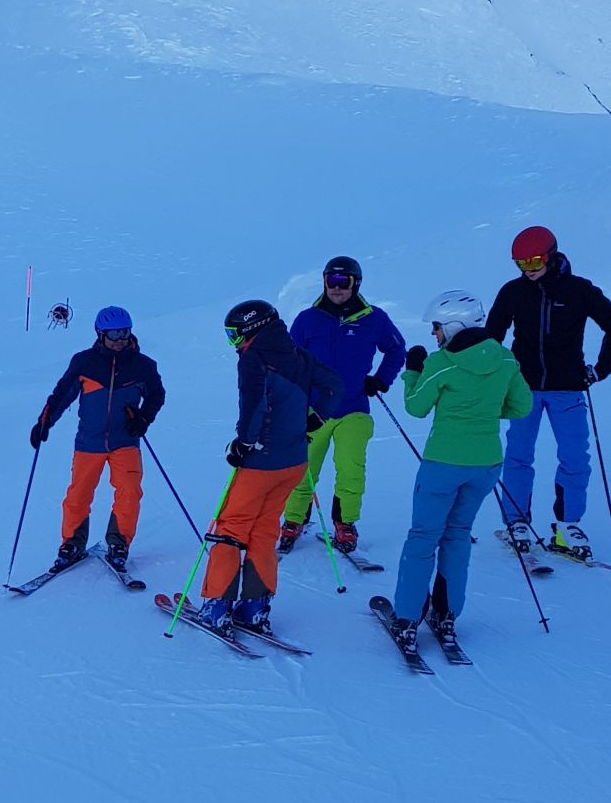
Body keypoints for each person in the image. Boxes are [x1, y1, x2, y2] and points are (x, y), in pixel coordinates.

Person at [388, 293, 533, 649]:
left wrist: (412, 371)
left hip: (443, 463)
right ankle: (447, 614)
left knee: (423, 537)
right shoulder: (505, 359)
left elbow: (416, 407)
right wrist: (484, 410)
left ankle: (407, 618)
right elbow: (521, 407)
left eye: (437, 327)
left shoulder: (442, 362)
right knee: (457, 535)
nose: (434, 334)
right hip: (485, 465)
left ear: (455, 325)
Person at [196, 299, 338, 633]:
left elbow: (254, 404)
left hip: (261, 462)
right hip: (294, 463)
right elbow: (335, 386)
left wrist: (244, 443)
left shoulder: (254, 358)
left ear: (252, 329)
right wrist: (317, 418)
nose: (234, 343)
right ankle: (254, 606)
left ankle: (217, 606)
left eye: (234, 335)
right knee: (263, 529)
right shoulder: (298, 355)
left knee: (231, 528)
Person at [485, 225, 611, 560]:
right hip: (524, 388)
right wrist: (497, 374)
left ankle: (568, 524)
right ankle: (516, 522)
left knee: (575, 458)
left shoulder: (579, 290)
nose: (528, 270)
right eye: (521, 264)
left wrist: (600, 369)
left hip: (568, 388)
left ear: (550, 256)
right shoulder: (513, 292)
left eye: (534, 262)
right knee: (519, 455)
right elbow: (492, 337)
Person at [280, 255, 406, 554]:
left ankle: (345, 523)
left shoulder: (374, 318)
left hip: (353, 408)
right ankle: (294, 520)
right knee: (302, 469)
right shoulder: (307, 319)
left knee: (351, 469)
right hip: (314, 410)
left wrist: (381, 379)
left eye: (343, 281)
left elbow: (396, 348)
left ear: (355, 284)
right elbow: (290, 360)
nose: (336, 288)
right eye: (331, 280)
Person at [31, 306, 165, 572]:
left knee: (129, 492)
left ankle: (119, 543)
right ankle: (72, 544)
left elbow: (157, 395)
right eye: (113, 334)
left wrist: (143, 419)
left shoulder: (143, 366)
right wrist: (45, 422)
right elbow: (62, 394)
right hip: (88, 442)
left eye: (124, 332)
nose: (119, 339)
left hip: (125, 441)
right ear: (100, 334)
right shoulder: (85, 362)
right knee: (78, 494)